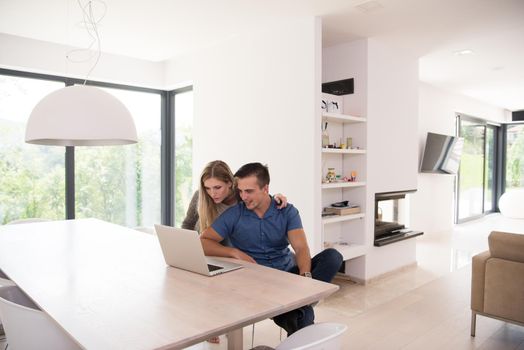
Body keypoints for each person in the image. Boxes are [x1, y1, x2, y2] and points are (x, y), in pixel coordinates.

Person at [200, 162, 343, 336]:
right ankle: (295, 309)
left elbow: (301, 248)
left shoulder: (287, 211)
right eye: (240, 191)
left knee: (333, 256)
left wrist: (305, 279)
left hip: (287, 275)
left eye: (249, 191)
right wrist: (233, 252)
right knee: (303, 316)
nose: (243, 197)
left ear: (265, 188)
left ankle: (297, 304)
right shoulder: (234, 214)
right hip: (257, 282)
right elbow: (203, 241)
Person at [181, 160, 287, 344]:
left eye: (217, 187)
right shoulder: (201, 197)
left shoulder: (242, 200)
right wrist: (184, 246)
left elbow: (262, 197)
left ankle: (221, 323)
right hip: (202, 250)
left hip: (229, 256)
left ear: (231, 183)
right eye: (208, 188)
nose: (212, 193)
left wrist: (278, 196)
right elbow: (188, 224)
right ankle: (208, 321)